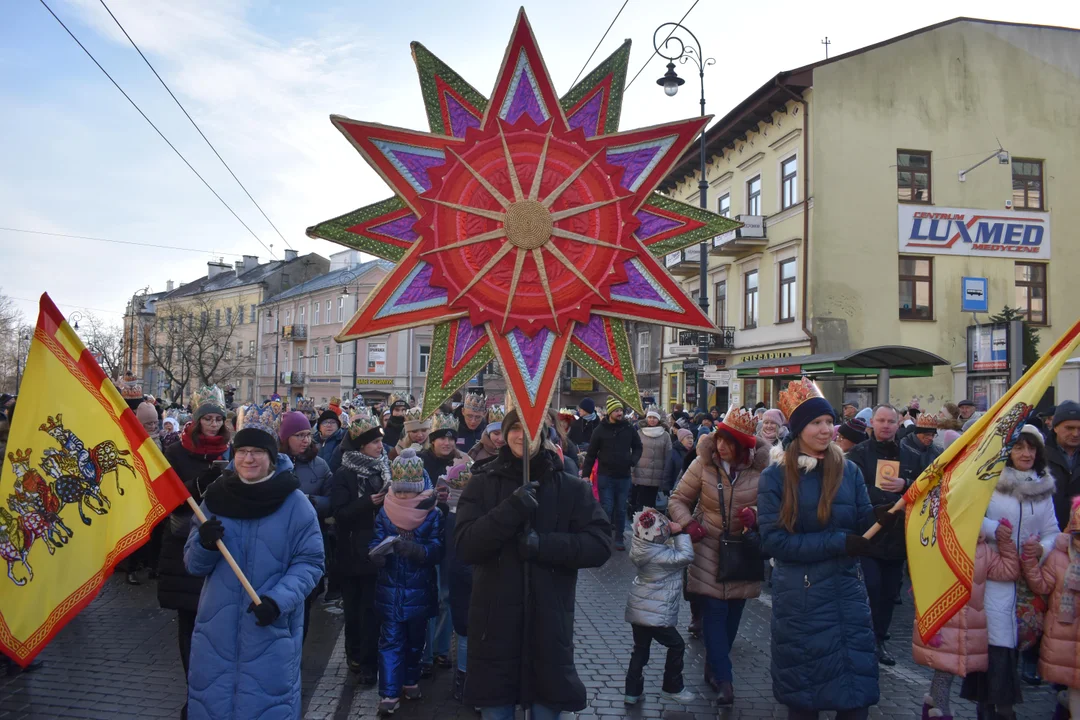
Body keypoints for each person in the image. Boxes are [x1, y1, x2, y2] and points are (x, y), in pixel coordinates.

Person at [454, 408, 612, 719]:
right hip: (494, 627)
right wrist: (511, 509)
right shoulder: (482, 483)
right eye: (515, 428)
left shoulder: (571, 487)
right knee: (496, 710)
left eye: (531, 428)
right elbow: (465, 545)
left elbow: (600, 544)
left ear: (544, 434)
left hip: (548, 628)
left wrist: (545, 545)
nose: (521, 436)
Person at [758, 378, 892, 719]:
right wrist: (838, 542)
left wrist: (884, 515)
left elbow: (863, 523)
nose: (826, 429)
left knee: (855, 696)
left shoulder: (849, 471)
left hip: (847, 594)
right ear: (800, 428)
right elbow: (773, 541)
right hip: (801, 600)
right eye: (817, 423)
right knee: (806, 697)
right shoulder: (776, 476)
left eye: (830, 422)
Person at [183, 424, 324, 720]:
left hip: (269, 630)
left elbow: (310, 563)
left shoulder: (295, 504)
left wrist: (278, 601)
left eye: (258, 451)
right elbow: (194, 565)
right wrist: (204, 544)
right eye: (242, 451)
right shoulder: (215, 499)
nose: (249, 459)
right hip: (215, 636)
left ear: (271, 457)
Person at [668, 407, 768, 704]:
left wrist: (757, 516)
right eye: (720, 438)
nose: (722, 445)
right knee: (714, 613)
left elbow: (778, 509)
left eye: (729, 441)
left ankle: (714, 666)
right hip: (708, 549)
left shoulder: (762, 471)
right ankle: (724, 680)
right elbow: (678, 499)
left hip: (742, 553)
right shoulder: (702, 464)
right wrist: (688, 523)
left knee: (732, 619)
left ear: (744, 447)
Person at [965, 424, 1060, 717]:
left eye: (1031, 448)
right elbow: (968, 516)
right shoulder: (988, 481)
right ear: (1007, 451)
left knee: (1015, 641)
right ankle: (996, 708)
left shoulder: (1042, 487)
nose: (1026, 453)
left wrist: (1042, 549)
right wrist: (994, 530)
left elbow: (1052, 530)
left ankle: (996, 704)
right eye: (1019, 447)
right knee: (995, 642)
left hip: (1027, 579)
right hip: (993, 574)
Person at [158, 386, 230, 718]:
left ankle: (214, 691)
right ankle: (193, 693)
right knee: (189, 623)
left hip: (222, 545)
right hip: (183, 546)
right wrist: (202, 482)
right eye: (208, 419)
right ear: (197, 420)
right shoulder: (176, 451)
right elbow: (168, 498)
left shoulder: (233, 448)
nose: (213, 425)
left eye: (218, 419)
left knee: (217, 624)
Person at [846, 404, 934, 666]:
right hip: (868, 535)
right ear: (872, 423)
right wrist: (884, 500)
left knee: (887, 595)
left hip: (897, 539)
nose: (885, 425)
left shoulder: (911, 454)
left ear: (899, 425)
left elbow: (926, 486)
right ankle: (862, 639)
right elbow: (853, 490)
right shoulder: (857, 454)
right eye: (881, 420)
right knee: (869, 589)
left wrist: (905, 486)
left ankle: (879, 640)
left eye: (891, 421)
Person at [913, 521, 1020, 720]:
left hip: (968, 624)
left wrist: (1004, 540)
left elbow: (1009, 571)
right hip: (945, 622)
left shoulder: (983, 551)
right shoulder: (943, 545)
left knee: (948, 669)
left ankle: (934, 709)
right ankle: (940, 712)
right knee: (945, 670)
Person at [369, 448, 444, 716]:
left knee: (415, 642)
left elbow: (437, 550)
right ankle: (389, 693)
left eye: (407, 492)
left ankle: (410, 679)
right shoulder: (385, 512)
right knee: (390, 642)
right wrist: (377, 555)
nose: (401, 497)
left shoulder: (433, 514)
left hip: (419, 591)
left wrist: (416, 551)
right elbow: (375, 540)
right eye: (397, 491)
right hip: (389, 591)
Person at [330, 413, 388, 686]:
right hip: (353, 554)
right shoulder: (344, 473)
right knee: (354, 611)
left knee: (371, 611)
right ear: (361, 446)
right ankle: (355, 655)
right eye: (375, 442)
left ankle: (368, 663)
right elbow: (339, 513)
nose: (380, 446)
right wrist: (368, 502)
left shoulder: (384, 469)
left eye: (380, 441)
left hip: (378, 550)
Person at [623, 508, 696, 706]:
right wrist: (680, 533)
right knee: (676, 645)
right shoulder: (662, 557)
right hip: (655, 614)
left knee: (640, 649)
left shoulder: (641, 549)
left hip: (639, 609)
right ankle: (672, 687)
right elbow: (686, 556)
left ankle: (632, 691)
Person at [1020, 496, 1080, 720]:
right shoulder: (1058, 558)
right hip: (1062, 638)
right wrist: (1030, 562)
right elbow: (1042, 585)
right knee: (1070, 691)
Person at [279, 410, 333, 637]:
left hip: (310, 538)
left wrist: (310, 502)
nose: (305, 440)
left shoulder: (319, 465)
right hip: (279, 541)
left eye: (308, 434)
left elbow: (331, 500)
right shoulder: (273, 462)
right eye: (299, 435)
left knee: (306, 598)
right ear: (285, 437)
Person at [420, 412, 466, 676]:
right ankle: (424, 652)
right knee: (429, 593)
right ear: (433, 440)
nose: (447, 443)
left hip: (451, 532)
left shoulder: (463, 463)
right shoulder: (421, 462)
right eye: (442, 438)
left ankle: (440, 650)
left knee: (447, 594)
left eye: (450, 439)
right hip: (426, 533)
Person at [582, 397, 643, 552]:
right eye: (616, 411)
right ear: (610, 412)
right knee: (607, 507)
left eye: (621, 410)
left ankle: (619, 538)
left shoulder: (629, 428)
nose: (620, 413)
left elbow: (638, 447)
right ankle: (605, 537)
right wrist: (585, 474)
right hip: (605, 475)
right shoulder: (600, 430)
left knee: (621, 508)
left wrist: (632, 460)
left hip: (623, 476)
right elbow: (591, 454)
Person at [438, 461, 475, 701]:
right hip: (466, 579)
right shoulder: (450, 516)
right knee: (466, 631)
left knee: (465, 632)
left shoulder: (445, 515)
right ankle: (464, 677)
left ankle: (464, 678)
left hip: (461, 577)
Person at [1047, 401, 1080, 530]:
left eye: (1079, 428)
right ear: (1055, 427)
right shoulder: (1038, 455)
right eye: (1069, 428)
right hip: (1048, 535)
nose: (1075, 434)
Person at [631, 409, 671, 514]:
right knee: (640, 504)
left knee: (651, 505)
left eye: (654, 418)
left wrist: (666, 475)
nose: (652, 420)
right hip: (640, 473)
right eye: (650, 417)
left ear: (658, 419)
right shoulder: (639, 433)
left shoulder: (665, 435)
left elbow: (668, 455)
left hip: (657, 475)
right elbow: (633, 451)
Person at [665, 428, 694, 494]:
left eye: (692, 438)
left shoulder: (694, 453)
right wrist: (667, 488)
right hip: (675, 488)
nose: (690, 440)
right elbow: (668, 471)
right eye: (688, 438)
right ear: (681, 440)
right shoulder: (673, 452)